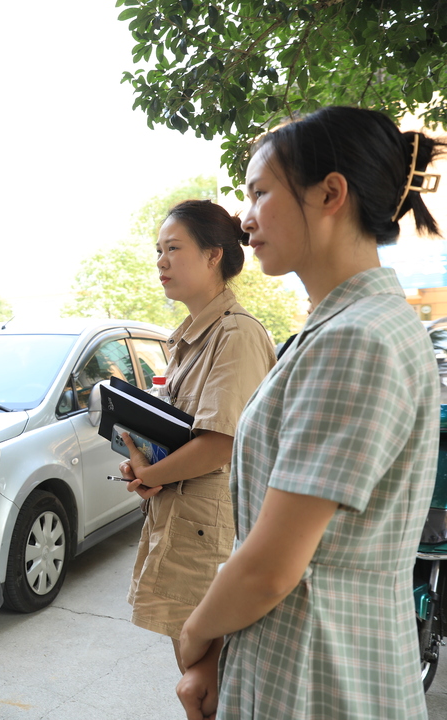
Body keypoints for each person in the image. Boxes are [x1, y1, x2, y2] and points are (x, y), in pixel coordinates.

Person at [176, 106, 443, 720]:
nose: (244, 220)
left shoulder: (356, 338)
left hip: (317, 671)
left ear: (330, 194)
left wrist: (197, 635)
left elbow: (271, 568)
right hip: (319, 653)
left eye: (259, 193)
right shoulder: (355, 326)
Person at [119, 200, 276, 671]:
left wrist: (153, 474)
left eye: (173, 248)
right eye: (158, 250)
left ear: (213, 256)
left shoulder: (237, 335)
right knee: (194, 671)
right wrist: (145, 461)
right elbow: (183, 435)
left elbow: (219, 444)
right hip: (182, 516)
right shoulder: (191, 338)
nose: (160, 261)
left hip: (209, 527)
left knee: (207, 675)